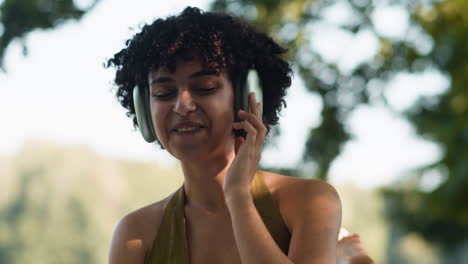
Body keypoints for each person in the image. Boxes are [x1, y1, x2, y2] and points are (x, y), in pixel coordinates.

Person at [106, 6, 372, 264]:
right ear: (144, 108)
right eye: (163, 93)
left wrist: (238, 197)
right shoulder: (135, 235)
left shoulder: (310, 201)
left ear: (246, 97)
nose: (182, 105)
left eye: (205, 87)